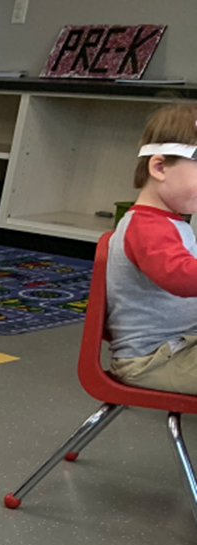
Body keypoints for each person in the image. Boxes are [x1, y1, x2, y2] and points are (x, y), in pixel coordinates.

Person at [106, 103, 197, 394]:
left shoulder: (165, 223)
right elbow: (182, 277)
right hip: (152, 360)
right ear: (159, 167)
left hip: (175, 349)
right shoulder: (148, 227)